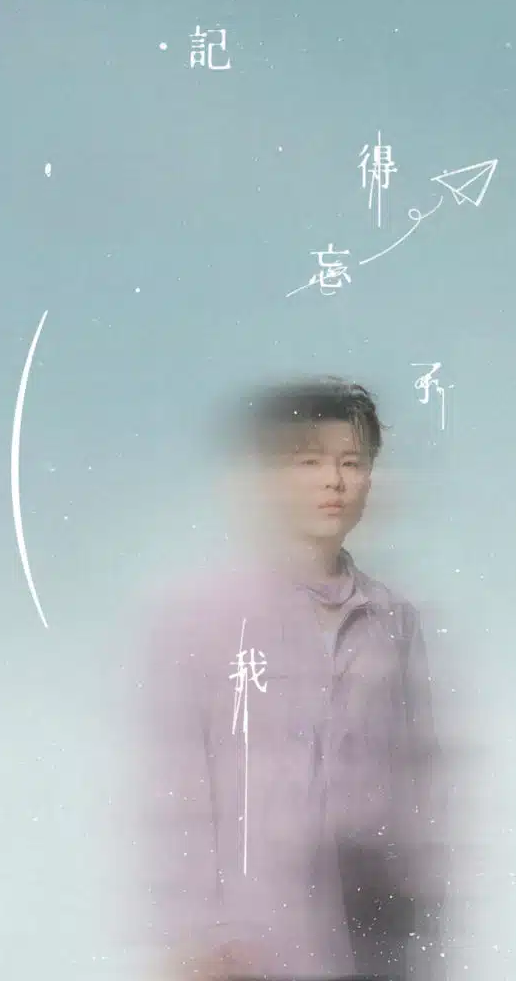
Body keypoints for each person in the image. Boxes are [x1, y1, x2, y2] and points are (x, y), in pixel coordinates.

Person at [132, 377, 451, 981]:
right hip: (248, 942)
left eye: (352, 463)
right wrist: (201, 933)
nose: (334, 481)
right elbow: (179, 785)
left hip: (372, 938)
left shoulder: (394, 620)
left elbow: (417, 781)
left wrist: (419, 917)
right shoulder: (209, 618)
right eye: (310, 462)